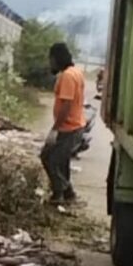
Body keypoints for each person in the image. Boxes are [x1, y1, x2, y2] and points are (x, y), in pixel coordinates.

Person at [41, 43, 87, 204]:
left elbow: (67, 104)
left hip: (69, 127)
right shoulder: (76, 72)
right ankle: (68, 194)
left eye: (51, 59)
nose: (50, 63)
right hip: (75, 125)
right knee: (62, 160)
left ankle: (59, 194)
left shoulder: (67, 76)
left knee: (49, 158)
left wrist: (55, 129)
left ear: (56, 58)